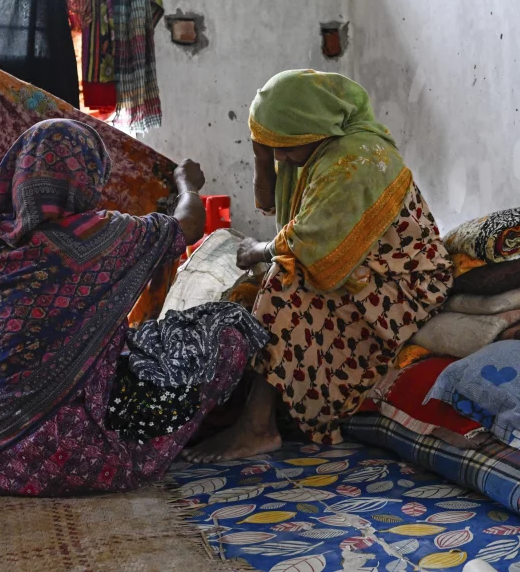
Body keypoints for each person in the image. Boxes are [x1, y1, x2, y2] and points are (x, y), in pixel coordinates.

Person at [0, 93, 264, 495]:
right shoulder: (100, 236)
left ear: (17, 170)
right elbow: (189, 224)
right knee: (226, 331)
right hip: (77, 459)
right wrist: (186, 184)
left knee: (137, 344)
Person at [184, 69, 453, 461]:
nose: (278, 157)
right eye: (268, 144)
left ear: (313, 129)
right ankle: (256, 413)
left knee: (285, 284)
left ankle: (258, 426)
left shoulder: (354, 161)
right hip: (365, 268)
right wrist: (264, 151)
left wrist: (260, 249)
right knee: (261, 288)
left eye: (285, 145)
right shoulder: (323, 147)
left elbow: (313, 249)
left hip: (405, 281)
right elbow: (295, 222)